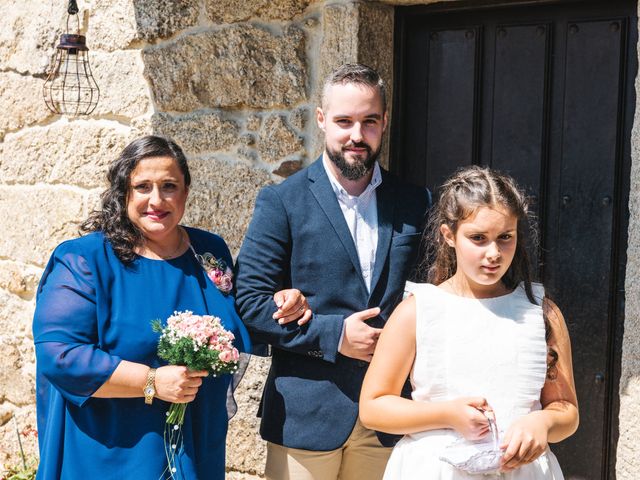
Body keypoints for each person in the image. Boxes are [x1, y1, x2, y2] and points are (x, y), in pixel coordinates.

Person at [32, 136, 308, 480]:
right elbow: (60, 356)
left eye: (169, 186)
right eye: (142, 187)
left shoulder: (209, 251)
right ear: (124, 193)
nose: (156, 200)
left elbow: (234, 322)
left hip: (195, 441)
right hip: (112, 451)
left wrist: (277, 303)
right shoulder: (84, 260)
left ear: (186, 192)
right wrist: (151, 381)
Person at [235, 63, 431, 480]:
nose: (356, 136)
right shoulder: (281, 202)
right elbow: (249, 303)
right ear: (322, 120)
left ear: (384, 122)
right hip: (308, 417)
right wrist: (336, 335)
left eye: (369, 122)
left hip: (391, 419)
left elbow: (436, 295)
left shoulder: (416, 202)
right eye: (344, 121)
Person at [359, 166, 579, 479]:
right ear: (449, 235)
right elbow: (373, 407)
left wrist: (541, 422)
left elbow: (566, 410)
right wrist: (447, 414)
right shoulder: (418, 311)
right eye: (478, 238)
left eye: (505, 238)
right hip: (436, 469)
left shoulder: (541, 314)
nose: (493, 253)